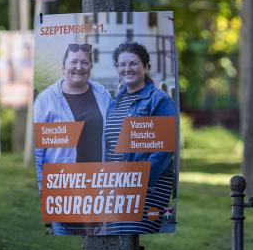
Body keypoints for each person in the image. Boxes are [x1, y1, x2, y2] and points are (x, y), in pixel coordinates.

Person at [33, 42, 111, 235]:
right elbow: (38, 149)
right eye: (74, 62)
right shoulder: (46, 99)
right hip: (63, 187)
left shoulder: (102, 94)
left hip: (97, 185)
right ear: (64, 66)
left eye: (85, 62)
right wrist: (42, 187)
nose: (79, 67)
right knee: (65, 236)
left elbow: (112, 136)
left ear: (90, 67)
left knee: (95, 238)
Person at [103, 42, 178, 235]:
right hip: (116, 186)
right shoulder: (115, 103)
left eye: (133, 63)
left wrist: (139, 181)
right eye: (122, 64)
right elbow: (110, 145)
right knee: (114, 238)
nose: (127, 68)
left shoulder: (159, 100)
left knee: (129, 235)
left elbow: (163, 149)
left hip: (146, 188)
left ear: (145, 67)